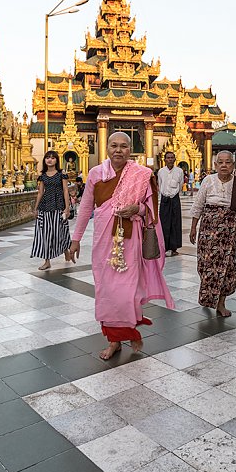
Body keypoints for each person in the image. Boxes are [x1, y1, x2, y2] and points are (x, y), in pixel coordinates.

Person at [69, 132, 174, 360]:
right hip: (104, 242)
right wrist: (76, 239)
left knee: (127, 291)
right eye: (114, 146)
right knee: (106, 291)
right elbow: (86, 208)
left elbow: (150, 210)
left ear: (130, 150)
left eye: (124, 146)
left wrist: (138, 209)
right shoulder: (97, 174)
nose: (119, 150)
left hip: (130, 241)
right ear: (107, 147)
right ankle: (114, 340)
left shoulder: (141, 174)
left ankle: (128, 331)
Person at [189, 150, 236, 317]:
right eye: (221, 162)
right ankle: (208, 297)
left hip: (229, 232)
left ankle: (221, 303)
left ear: (233, 165)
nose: (224, 165)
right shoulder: (208, 181)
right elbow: (198, 205)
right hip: (208, 230)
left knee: (227, 266)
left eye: (228, 162)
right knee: (207, 264)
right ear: (215, 165)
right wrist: (193, 228)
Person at [31, 151, 71, 271]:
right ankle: (47, 261)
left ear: (56, 160)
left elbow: (65, 190)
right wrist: (36, 208)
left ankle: (65, 250)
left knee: (60, 230)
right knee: (46, 233)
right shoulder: (43, 175)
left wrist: (67, 207)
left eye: (53, 158)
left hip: (58, 205)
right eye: (48, 158)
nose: (50, 160)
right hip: (45, 206)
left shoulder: (61, 174)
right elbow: (40, 192)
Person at [158, 152, 184, 257]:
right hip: (165, 199)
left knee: (175, 222)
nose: (170, 159)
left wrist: (174, 193)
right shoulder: (161, 171)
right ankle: (164, 246)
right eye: (168, 158)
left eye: (172, 158)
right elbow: (160, 184)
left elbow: (181, 184)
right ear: (164, 160)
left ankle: (174, 247)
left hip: (175, 199)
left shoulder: (179, 171)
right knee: (164, 223)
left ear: (175, 159)